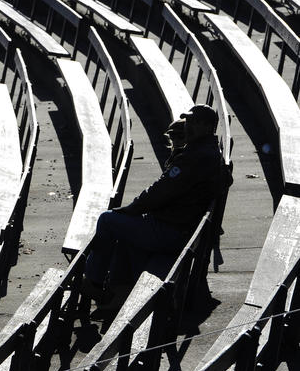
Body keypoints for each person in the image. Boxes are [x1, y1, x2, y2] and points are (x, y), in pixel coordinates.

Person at [81, 104, 232, 302]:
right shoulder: (208, 152)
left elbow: (160, 191)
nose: (188, 127)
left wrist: (132, 208)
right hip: (183, 229)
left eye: (195, 123)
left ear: (208, 127)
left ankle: (94, 282)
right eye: (189, 122)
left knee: (108, 220)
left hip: (171, 232)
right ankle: (118, 293)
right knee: (126, 228)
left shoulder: (195, 157)